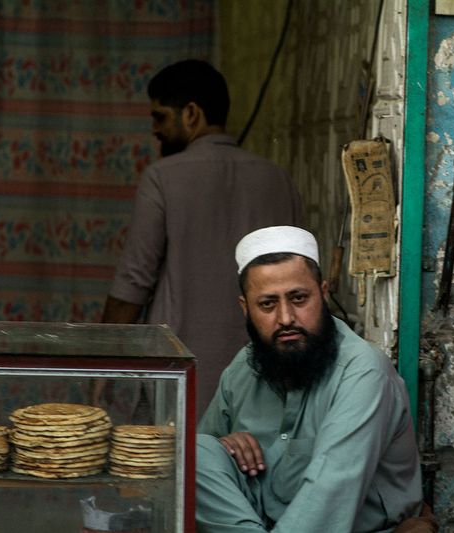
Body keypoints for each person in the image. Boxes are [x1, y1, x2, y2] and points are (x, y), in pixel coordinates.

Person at [101, 59, 303, 416]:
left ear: (192, 114)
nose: (155, 130)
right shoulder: (277, 179)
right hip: (262, 380)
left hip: (179, 379)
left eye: (160, 117)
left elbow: (133, 283)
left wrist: (101, 357)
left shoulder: (162, 178)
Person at [195, 226, 425, 532]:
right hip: (258, 523)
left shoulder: (363, 372)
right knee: (195, 452)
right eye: (267, 304)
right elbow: (201, 466)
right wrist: (224, 446)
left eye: (299, 298)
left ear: (323, 294)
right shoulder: (244, 367)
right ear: (245, 308)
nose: (286, 318)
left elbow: (330, 493)